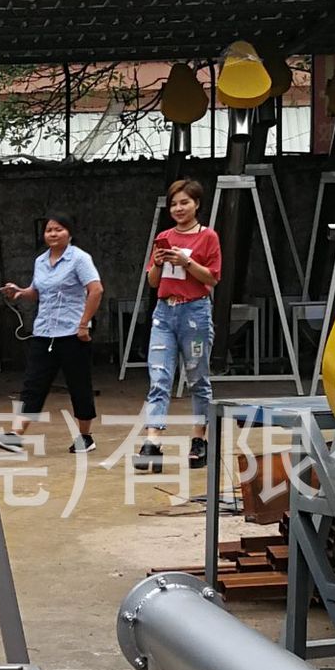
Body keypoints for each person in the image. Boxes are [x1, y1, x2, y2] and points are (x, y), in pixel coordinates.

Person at [0, 213, 104, 454]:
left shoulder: (79, 259)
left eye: (58, 229)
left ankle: (85, 437)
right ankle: (15, 435)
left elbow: (96, 290)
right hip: (44, 332)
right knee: (33, 383)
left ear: (69, 233)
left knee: (79, 386)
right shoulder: (41, 261)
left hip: (73, 334)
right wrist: (21, 292)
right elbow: (38, 291)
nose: (53, 234)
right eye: (49, 230)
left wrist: (84, 324)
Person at [136, 178, 220, 470]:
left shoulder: (208, 237)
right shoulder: (164, 236)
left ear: (197, 204)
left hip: (194, 313)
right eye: (174, 204)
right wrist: (160, 262)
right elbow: (152, 281)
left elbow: (212, 278)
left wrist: (186, 263)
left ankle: (199, 438)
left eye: (185, 202)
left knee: (197, 378)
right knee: (159, 377)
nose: (179, 208)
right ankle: (153, 441)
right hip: (164, 312)